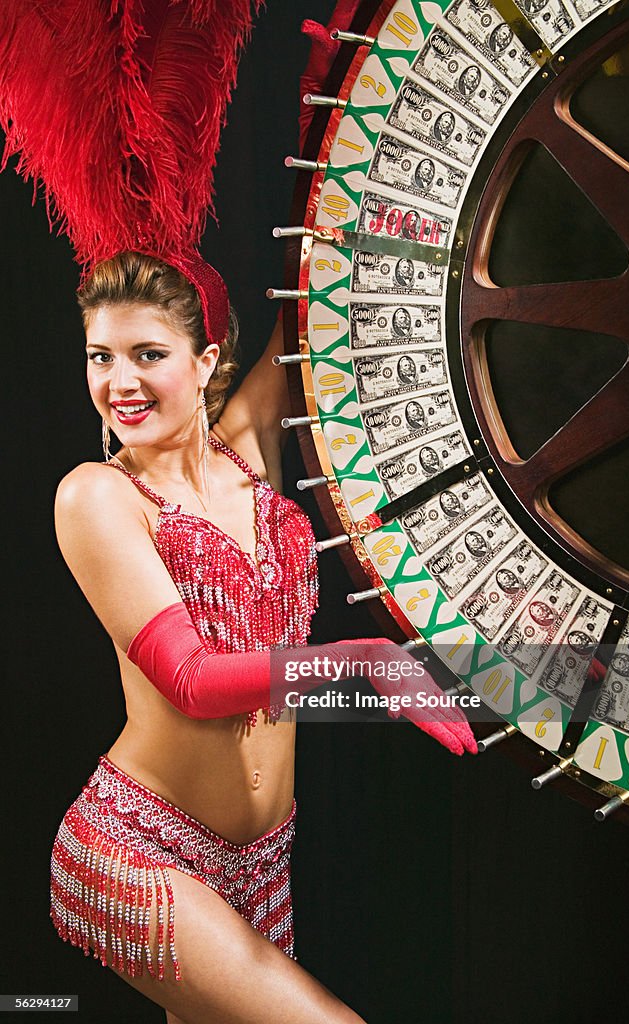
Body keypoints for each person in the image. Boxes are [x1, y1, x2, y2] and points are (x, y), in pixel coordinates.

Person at [2, 4, 476, 1022]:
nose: (118, 384)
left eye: (146, 356)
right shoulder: (95, 499)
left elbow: (325, 302)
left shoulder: (246, 452)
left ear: (206, 361)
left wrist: (372, 114)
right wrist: (364, 669)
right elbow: (196, 680)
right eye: (100, 356)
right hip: (136, 852)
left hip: (264, 863)